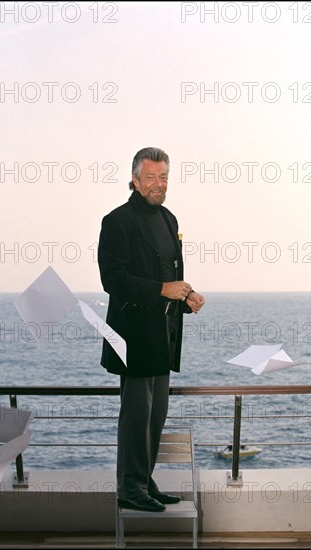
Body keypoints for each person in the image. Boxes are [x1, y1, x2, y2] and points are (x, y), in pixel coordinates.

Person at [98, 147, 205, 513]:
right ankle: (129, 488)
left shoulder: (169, 219)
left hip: (163, 336)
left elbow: (170, 277)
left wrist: (186, 295)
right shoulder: (116, 221)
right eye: (150, 177)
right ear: (134, 178)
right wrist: (164, 290)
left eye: (163, 178)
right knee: (136, 416)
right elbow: (112, 279)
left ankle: (144, 480)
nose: (158, 184)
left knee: (156, 414)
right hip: (131, 337)